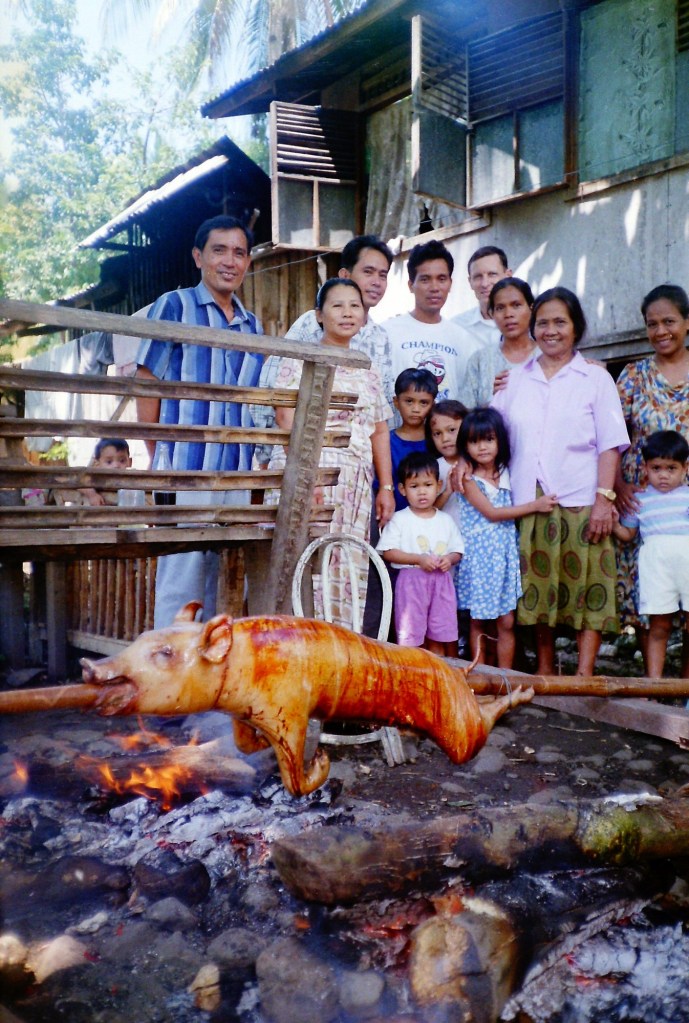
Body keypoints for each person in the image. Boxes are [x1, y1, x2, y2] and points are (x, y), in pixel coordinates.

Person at [488, 286, 629, 676]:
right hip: (530, 498)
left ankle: (583, 675)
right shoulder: (515, 380)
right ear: (533, 328)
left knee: (589, 586)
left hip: (583, 497)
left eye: (560, 322)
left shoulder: (595, 378)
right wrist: (464, 465)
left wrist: (604, 499)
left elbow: (611, 444)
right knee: (538, 588)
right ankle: (546, 671)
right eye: (543, 323)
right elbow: (490, 434)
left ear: (576, 327)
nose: (551, 331)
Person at [135, 214, 263, 628]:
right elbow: (147, 380)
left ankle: (215, 668)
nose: (229, 261)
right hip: (185, 470)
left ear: (248, 262)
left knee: (228, 585)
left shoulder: (252, 326)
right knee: (181, 584)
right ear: (198, 257)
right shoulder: (174, 307)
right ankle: (170, 668)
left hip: (237, 476)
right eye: (218, 250)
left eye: (239, 253)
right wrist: (160, 455)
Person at [267, 278, 395, 628]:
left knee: (346, 566)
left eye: (355, 306)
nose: (347, 313)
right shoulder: (301, 360)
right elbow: (285, 418)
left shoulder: (368, 369)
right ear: (319, 315)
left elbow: (379, 429)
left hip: (355, 486)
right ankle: (300, 643)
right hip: (311, 476)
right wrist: (306, 477)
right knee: (305, 566)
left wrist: (386, 487)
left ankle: (340, 643)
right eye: (337, 305)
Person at [253, 235, 395, 467]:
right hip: (306, 460)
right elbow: (273, 390)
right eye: (368, 272)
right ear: (345, 275)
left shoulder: (381, 338)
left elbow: (381, 410)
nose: (377, 282)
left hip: (356, 465)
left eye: (383, 275)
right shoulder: (310, 324)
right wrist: (264, 455)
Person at [615, 284, 689, 670]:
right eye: (652, 323)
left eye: (669, 321)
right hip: (642, 501)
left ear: (687, 322)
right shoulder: (633, 376)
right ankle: (653, 682)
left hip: (685, 509)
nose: (661, 331)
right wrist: (618, 485)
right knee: (647, 598)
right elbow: (610, 435)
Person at [454, 408, 557, 668]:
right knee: (478, 620)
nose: (482, 447)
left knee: (506, 621)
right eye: (474, 441)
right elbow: (492, 513)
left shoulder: (506, 470)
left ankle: (505, 677)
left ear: (500, 440)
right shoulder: (468, 479)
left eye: (489, 439)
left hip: (505, 557)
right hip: (481, 559)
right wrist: (535, 506)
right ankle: (478, 675)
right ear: (465, 445)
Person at [614, 430, 689, 679]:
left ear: (685, 468)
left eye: (671, 468)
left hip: (687, 566)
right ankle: (653, 685)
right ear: (645, 467)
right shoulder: (640, 500)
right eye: (656, 468)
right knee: (659, 625)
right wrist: (613, 522)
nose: (663, 475)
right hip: (657, 568)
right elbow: (628, 534)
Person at [377, 452, 464, 653]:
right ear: (402, 489)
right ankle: (415, 669)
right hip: (411, 583)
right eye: (414, 486)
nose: (422, 492)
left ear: (439, 486)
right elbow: (388, 552)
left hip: (441, 583)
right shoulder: (400, 519)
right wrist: (418, 559)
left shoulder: (445, 520)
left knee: (439, 634)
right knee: (412, 637)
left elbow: (457, 551)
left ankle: (437, 669)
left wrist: (449, 559)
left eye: (428, 485)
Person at [382, 240, 479, 403]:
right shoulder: (387, 333)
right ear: (411, 285)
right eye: (425, 279)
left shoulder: (464, 340)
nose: (434, 287)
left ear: (450, 284)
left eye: (441, 279)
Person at [458, 278, 536, 407]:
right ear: (492, 314)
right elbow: (463, 413)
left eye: (516, 305)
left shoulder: (546, 356)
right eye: (500, 308)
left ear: (531, 308)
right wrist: (494, 401)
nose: (508, 314)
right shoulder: (480, 361)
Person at [453, 245, 512, 349]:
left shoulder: (529, 323)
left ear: (508, 276)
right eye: (478, 277)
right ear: (470, 282)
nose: (484, 283)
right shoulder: (457, 327)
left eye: (492, 274)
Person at [79, 438, 132, 507]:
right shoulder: (98, 478)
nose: (116, 466)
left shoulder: (131, 479)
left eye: (122, 461)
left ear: (129, 462)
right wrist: (92, 495)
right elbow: (79, 481)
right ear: (97, 464)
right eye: (109, 462)